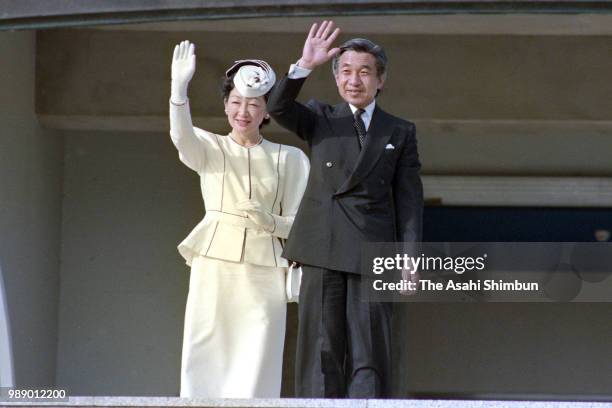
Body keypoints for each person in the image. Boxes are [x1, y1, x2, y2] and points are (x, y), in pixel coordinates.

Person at [267, 21, 423, 398]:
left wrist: (410, 258)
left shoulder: (399, 130)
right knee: (321, 347)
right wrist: (304, 64)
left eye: (365, 72)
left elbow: (409, 199)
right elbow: (277, 107)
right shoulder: (320, 117)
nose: (355, 80)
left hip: (373, 248)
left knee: (370, 348)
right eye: (347, 72)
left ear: (380, 80)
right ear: (337, 79)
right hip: (321, 245)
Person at [169, 40, 310, 398]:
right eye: (235, 102)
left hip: (266, 265)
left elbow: (306, 223)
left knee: (260, 345)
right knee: (207, 338)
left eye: (253, 104)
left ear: (266, 111)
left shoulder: (289, 158)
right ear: (226, 106)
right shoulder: (209, 146)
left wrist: (272, 222)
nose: (242, 111)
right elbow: (181, 136)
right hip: (214, 259)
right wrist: (178, 90)